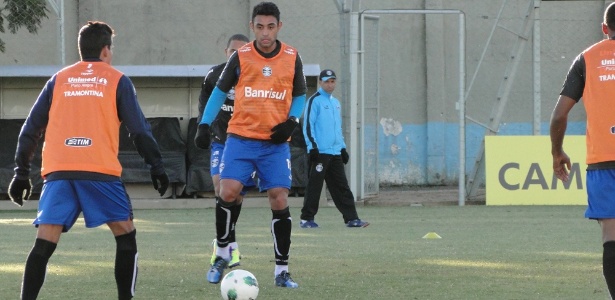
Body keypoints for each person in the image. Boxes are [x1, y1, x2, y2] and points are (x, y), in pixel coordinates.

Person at [8, 21, 169, 300]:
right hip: (99, 171)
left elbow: (30, 129)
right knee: (125, 235)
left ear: (81, 50)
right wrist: (156, 166)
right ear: (106, 50)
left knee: (45, 241)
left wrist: (21, 173)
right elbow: (139, 130)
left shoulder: (59, 79)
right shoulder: (117, 79)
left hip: (58, 171)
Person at [195, 1, 306, 288]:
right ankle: (222, 251)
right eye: (260, 27)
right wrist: (204, 125)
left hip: (274, 144)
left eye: (271, 27)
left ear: (279, 26)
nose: (265, 33)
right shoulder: (241, 57)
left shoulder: (293, 57)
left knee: (279, 198)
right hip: (241, 138)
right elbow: (219, 93)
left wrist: (292, 121)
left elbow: (301, 95)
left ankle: (282, 271)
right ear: (252, 27)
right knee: (228, 191)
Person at [550, 3, 615, 298]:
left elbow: (560, 115)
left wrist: (557, 153)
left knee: (611, 236)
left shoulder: (586, 59)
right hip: (601, 163)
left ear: (605, 28)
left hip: (602, 163)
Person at [197, 33, 250, 270]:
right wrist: (203, 126)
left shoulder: (256, 74)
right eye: (232, 51)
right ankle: (227, 244)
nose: (236, 55)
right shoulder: (214, 75)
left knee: (235, 194)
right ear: (226, 52)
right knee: (220, 186)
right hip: (221, 138)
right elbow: (205, 103)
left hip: (245, 141)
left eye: (241, 51)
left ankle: (227, 242)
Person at [300, 69, 369, 229]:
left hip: (335, 153)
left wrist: (342, 148)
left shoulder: (335, 103)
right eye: (326, 81)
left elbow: (337, 128)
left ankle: (352, 219)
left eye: (332, 81)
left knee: (341, 187)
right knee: (314, 187)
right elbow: (308, 126)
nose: (330, 85)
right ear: (320, 82)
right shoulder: (314, 101)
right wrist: (312, 148)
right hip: (320, 153)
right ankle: (306, 219)